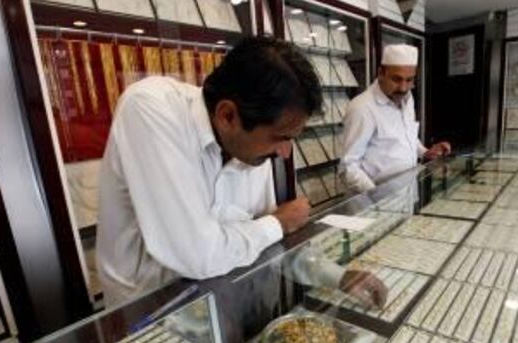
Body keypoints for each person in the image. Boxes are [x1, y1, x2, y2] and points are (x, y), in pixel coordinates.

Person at [97, 36, 386, 308]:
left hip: (218, 302)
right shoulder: (151, 108)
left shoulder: (251, 148)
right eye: (281, 137)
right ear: (228, 116)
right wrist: (278, 222)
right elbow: (198, 255)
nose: (285, 153)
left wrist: (337, 276)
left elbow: (269, 243)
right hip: (146, 312)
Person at [340, 44, 452, 192]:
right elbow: (348, 167)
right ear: (381, 73)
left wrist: (426, 152)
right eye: (396, 79)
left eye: (409, 80)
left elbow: (407, 136)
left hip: (408, 191)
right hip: (378, 202)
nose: (403, 88)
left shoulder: (408, 98)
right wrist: (378, 199)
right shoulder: (362, 107)